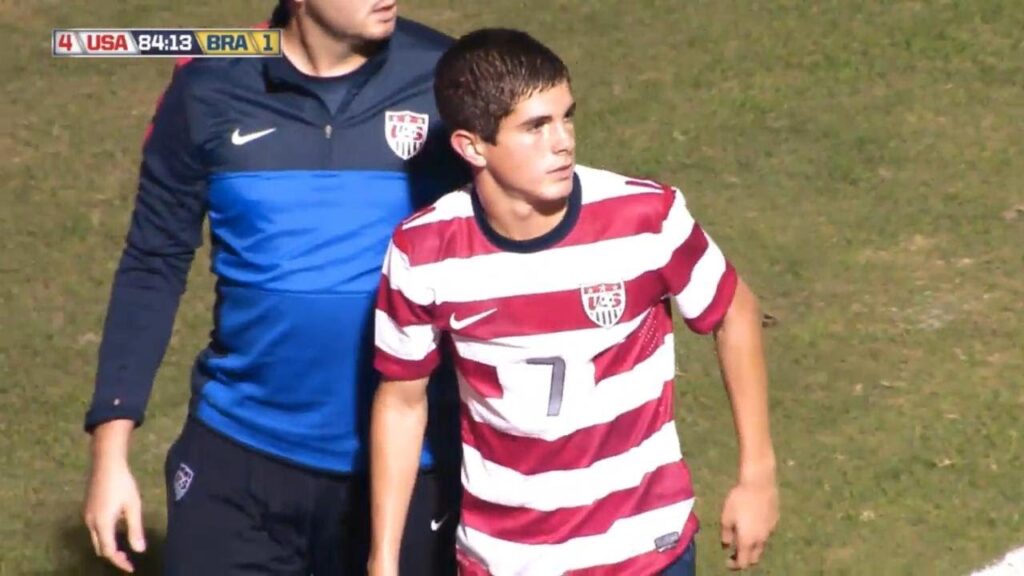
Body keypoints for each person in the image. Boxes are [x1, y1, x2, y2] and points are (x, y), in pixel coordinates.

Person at [368, 28, 778, 576]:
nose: (563, 141)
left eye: (567, 116)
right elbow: (401, 401)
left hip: (645, 554)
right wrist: (384, 559)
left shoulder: (645, 218)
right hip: (505, 560)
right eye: (536, 127)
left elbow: (734, 310)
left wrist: (758, 474)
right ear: (471, 146)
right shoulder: (423, 252)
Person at [81, 1, 465, 574]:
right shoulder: (207, 82)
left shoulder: (447, 76)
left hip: (411, 467)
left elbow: (521, 235)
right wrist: (110, 451)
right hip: (239, 460)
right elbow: (153, 263)